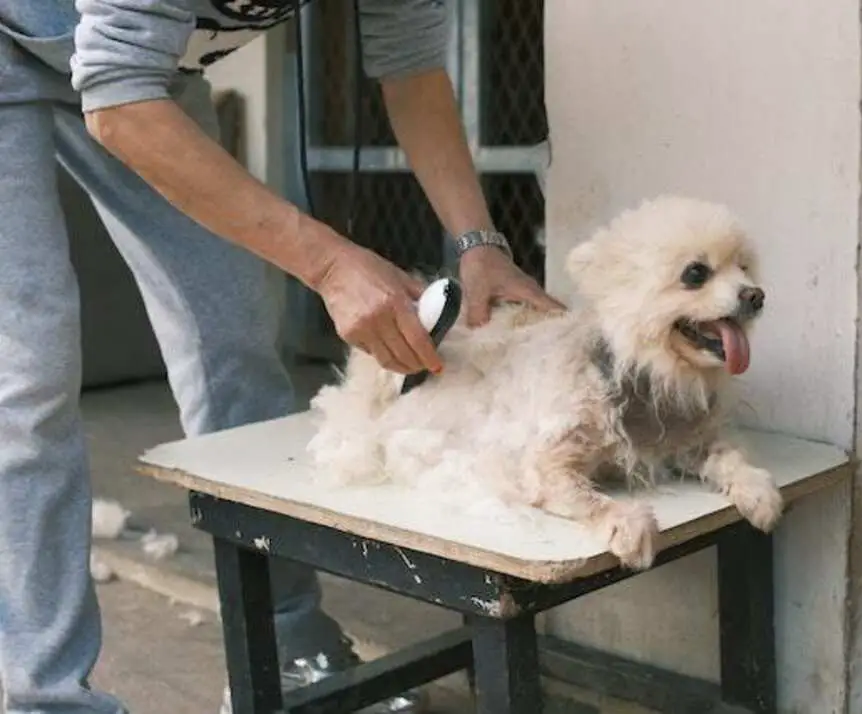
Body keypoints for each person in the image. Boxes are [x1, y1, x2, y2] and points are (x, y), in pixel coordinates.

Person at [0, 1, 565, 713]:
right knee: (28, 380)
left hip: (145, 71)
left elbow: (413, 72)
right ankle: (47, 697)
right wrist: (328, 265)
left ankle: (287, 639)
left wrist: (479, 244)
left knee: (231, 340)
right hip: (47, 55)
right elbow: (116, 102)